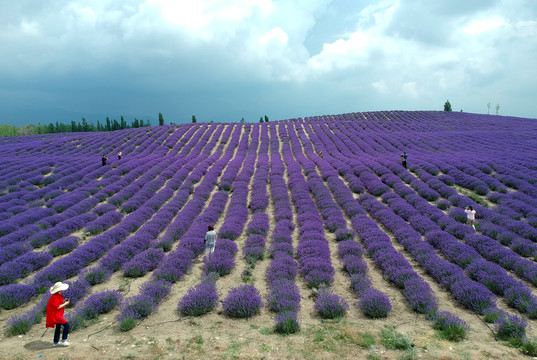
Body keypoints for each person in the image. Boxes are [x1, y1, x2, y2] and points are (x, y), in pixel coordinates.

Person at [46, 282, 70, 347]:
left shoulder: (57, 295)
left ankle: (55, 342)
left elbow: (57, 304)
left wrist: (63, 301)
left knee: (58, 327)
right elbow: (58, 306)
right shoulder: (55, 297)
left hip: (56, 314)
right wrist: (65, 304)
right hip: (56, 315)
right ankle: (63, 340)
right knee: (67, 325)